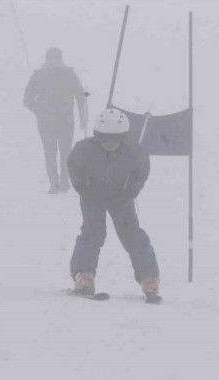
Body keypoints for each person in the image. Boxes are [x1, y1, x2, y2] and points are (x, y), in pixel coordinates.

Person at [67, 108, 161, 303]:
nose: (110, 145)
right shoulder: (84, 149)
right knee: (92, 233)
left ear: (123, 138)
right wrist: (83, 187)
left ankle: (148, 277)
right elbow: (74, 166)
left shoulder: (134, 152)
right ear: (98, 136)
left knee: (132, 234)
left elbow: (141, 172)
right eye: (105, 140)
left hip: (121, 197)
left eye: (115, 140)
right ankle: (83, 275)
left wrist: (130, 191)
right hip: (92, 195)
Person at [23, 47, 88, 193]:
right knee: (66, 151)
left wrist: (38, 110)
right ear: (61, 58)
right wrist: (83, 118)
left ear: (46, 58)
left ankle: (53, 183)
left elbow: (26, 99)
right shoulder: (69, 73)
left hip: (45, 122)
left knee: (49, 152)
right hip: (66, 120)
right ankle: (65, 182)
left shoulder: (38, 75)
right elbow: (80, 96)